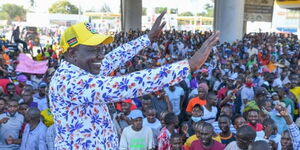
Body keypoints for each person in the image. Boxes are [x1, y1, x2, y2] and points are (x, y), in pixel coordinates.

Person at [49, 11, 220, 149]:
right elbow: (125, 85)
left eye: (101, 49)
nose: (101, 56)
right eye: (94, 50)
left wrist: (147, 39)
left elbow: (113, 57)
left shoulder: (84, 68)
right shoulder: (68, 82)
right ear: (72, 53)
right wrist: (188, 66)